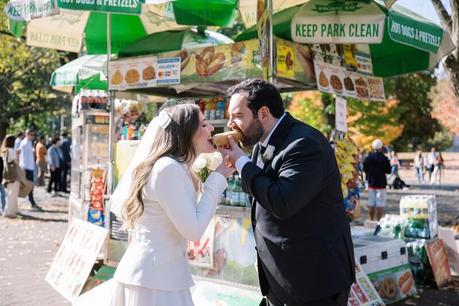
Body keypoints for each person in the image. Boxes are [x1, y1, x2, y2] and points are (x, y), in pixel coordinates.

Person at [74, 103, 234, 306]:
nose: (211, 128)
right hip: (153, 281)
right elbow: (193, 230)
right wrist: (217, 178)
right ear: (185, 133)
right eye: (203, 125)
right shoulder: (167, 168)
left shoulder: (180, 168)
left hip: (162, 275)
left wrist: (223, 172)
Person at [219, 79, 355, 306]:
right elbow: (259, 191)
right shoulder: (261, 144)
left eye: (238, 116)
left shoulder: (304, 143)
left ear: (263, 113)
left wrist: (243, 164)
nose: (230, 124)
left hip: (313, 281)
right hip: (282, 279)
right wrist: (241, 166)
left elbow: (283, 201)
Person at [363, 139, 391, 221]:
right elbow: (388, 171)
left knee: (371, 203)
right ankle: (378, 221)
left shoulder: (368, 158)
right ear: (381, 147)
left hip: (371, 183)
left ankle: (371, 220)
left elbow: (365, 169)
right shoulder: (385, 159)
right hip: (381, 184)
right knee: (380, 203)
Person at [18, 129, 41, 210]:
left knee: (29, 186)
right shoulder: (24, 143)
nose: (32, 136)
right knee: (29, 186)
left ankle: (32, 202)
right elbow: (23, 158)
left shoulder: (29, 143)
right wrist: (23, 168)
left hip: (30, 167)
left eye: (33, 135)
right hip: (26, 168)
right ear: (26, 134)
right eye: (31, 134)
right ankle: (32, 203)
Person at [1, 135, 20, 218]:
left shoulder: (4, 150)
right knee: (12, 193)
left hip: (6, 174)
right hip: (12, 174)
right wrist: (17, 155)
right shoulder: (12, 151)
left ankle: (14, 210)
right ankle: (8, 212)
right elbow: (17, 162)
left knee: (10, 192)